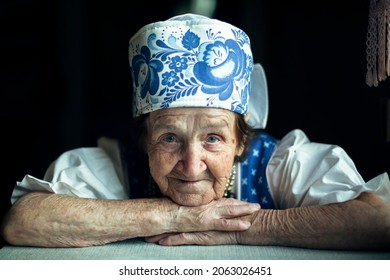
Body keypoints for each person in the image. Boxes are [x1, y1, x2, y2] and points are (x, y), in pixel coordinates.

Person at [1, 13, 390, 250]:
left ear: (241, 141)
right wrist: (176, 217)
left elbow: (379, 221)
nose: (191, 166)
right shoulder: (113, 165)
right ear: (144, 139)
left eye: (213, 138)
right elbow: (24, 221)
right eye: (169, 137)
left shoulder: (281, 163)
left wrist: (240, 229)